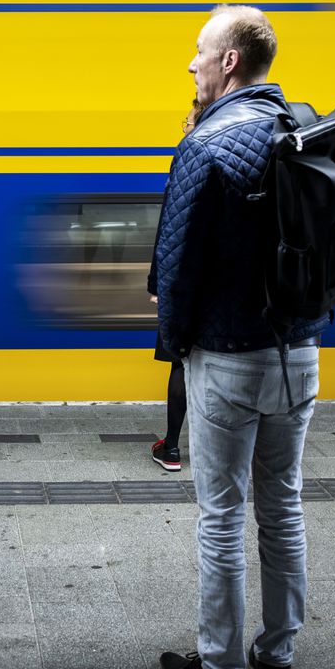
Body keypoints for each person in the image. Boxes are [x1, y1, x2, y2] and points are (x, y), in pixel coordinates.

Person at [155, 6, 327, 669]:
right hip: (301, 352)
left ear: (229, 61)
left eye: (200, 52)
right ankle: (277, 651)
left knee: (222, 515)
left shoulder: (206, 144)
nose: (191, 63)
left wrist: (175, 344)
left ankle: (219, 662)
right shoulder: (309, 129)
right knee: (283, 507)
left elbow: (177, 263)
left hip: (228, 356)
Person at [147, 100, 201, 472]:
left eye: (187, 118)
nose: (183, 124)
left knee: (181, 364)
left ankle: (172, 448)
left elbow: (170, 229)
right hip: (228, 283)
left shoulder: (188, 159)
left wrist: (156, 281)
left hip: (185, 280)